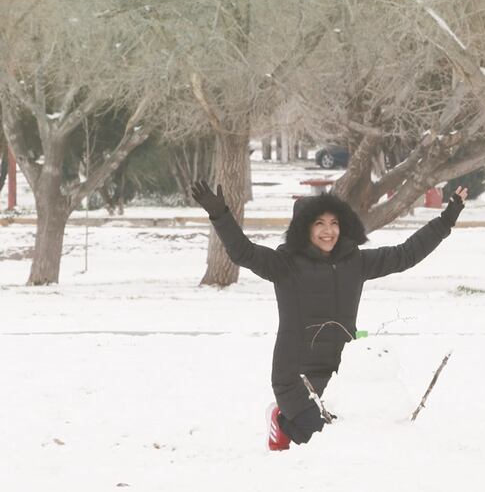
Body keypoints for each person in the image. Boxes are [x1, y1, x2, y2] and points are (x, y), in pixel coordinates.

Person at [190, 179, 467, 451]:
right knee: (321, 439)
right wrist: (220, 215)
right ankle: (282, 420)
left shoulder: (355, 262)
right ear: (304, 229)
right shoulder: (284, 264)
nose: (328, 231)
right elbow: (243, 252)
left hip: (341, 375)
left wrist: (446, 220)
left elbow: (405, 255)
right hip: (296, 377)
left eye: (334, 223)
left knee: (356, 435)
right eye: (319, 224)